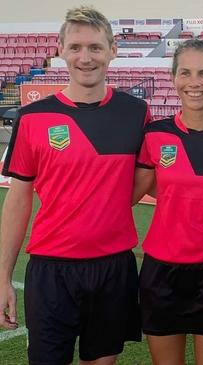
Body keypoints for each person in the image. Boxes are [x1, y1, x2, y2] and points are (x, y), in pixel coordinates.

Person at [0, 5, 149, 365]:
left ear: (113, 50)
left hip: (113, 267)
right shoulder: (33, 117)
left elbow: (147, 179)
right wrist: (3, 277)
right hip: (51, 270)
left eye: (96, 47)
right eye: (77, 47)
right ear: (60, 49)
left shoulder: (136, 112)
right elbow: (18, 200)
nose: (86, 57)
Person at [132, 39, 203, 365]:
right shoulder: (155, 134)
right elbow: (132, 193)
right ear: (174, 78)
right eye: (185, 73)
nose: (194, 82)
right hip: (161, 271)